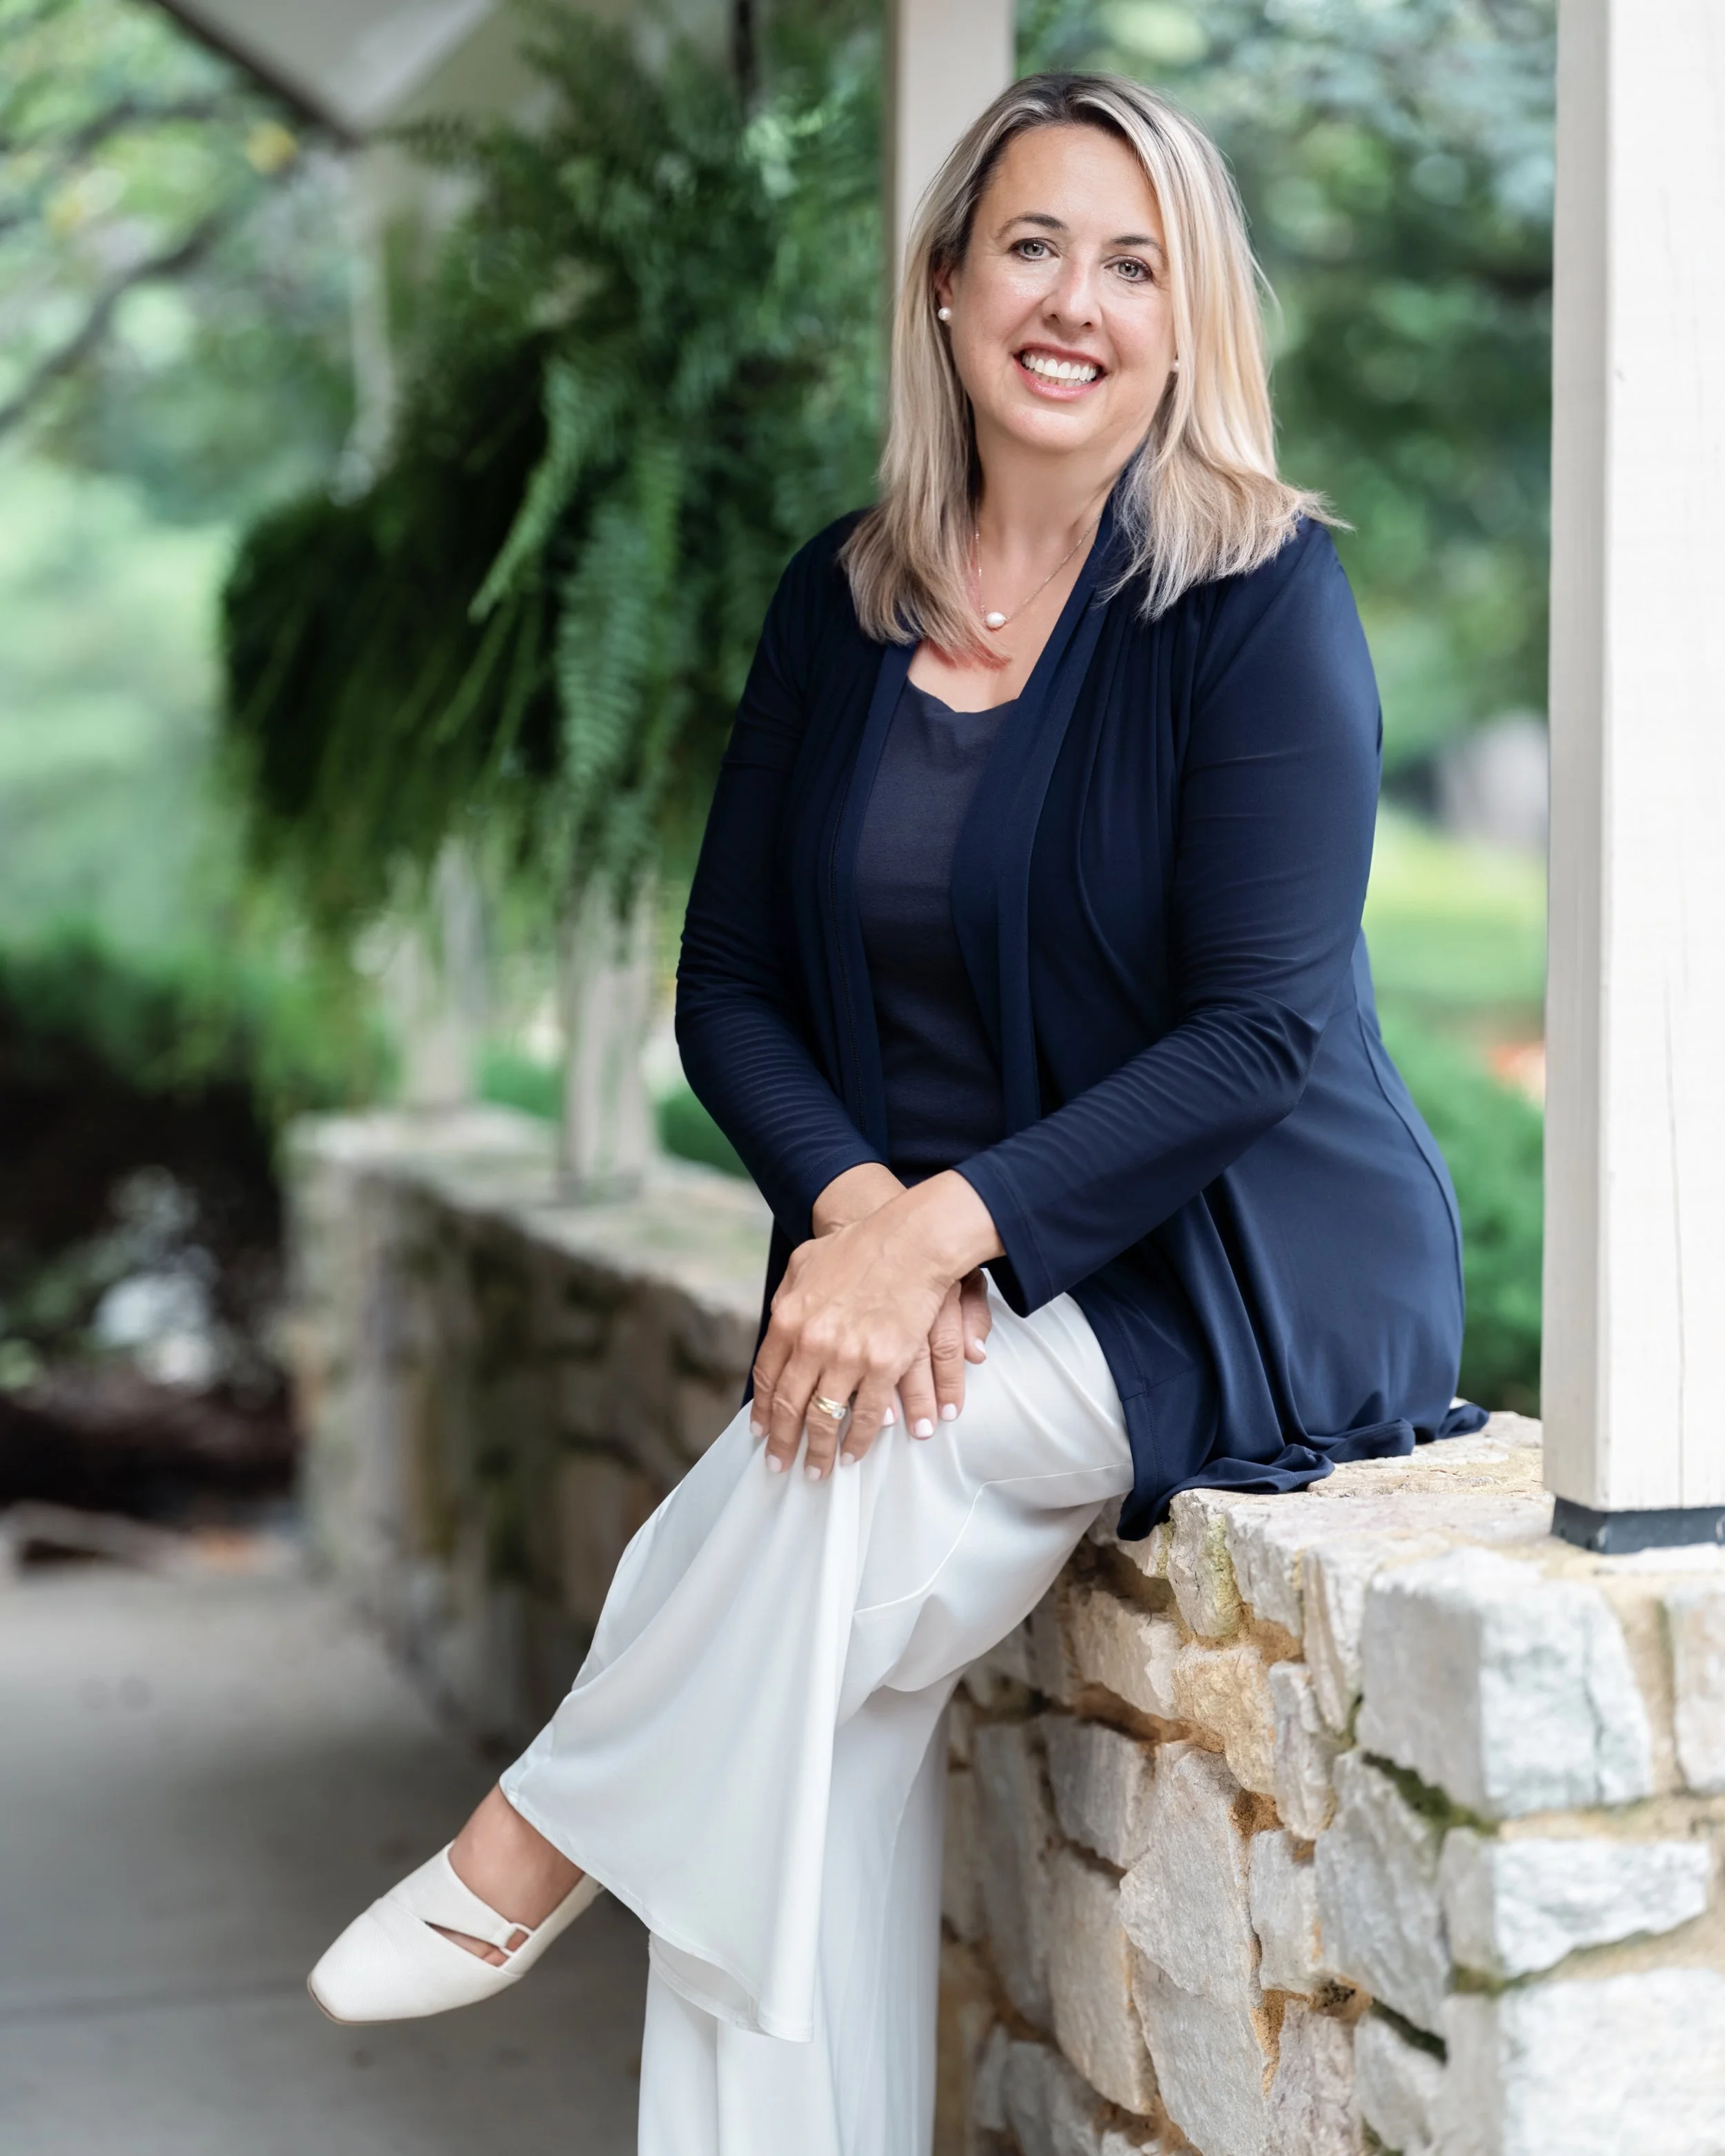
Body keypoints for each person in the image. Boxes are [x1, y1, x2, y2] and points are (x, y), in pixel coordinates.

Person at [306, 70, 1482, 2155]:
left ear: (1190, 323)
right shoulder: (838, 604)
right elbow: (731, 985)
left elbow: (1257, 1038)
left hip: (1228, 1265)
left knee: (806, 1503)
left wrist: (941, 1232)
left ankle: (529, 1841)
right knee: (798, 1715)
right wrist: (865, 1218)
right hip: (931, 1276)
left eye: (1133, 266)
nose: (1075, 302)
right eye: (1032, 245)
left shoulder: (1254, 597)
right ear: (944, 283)